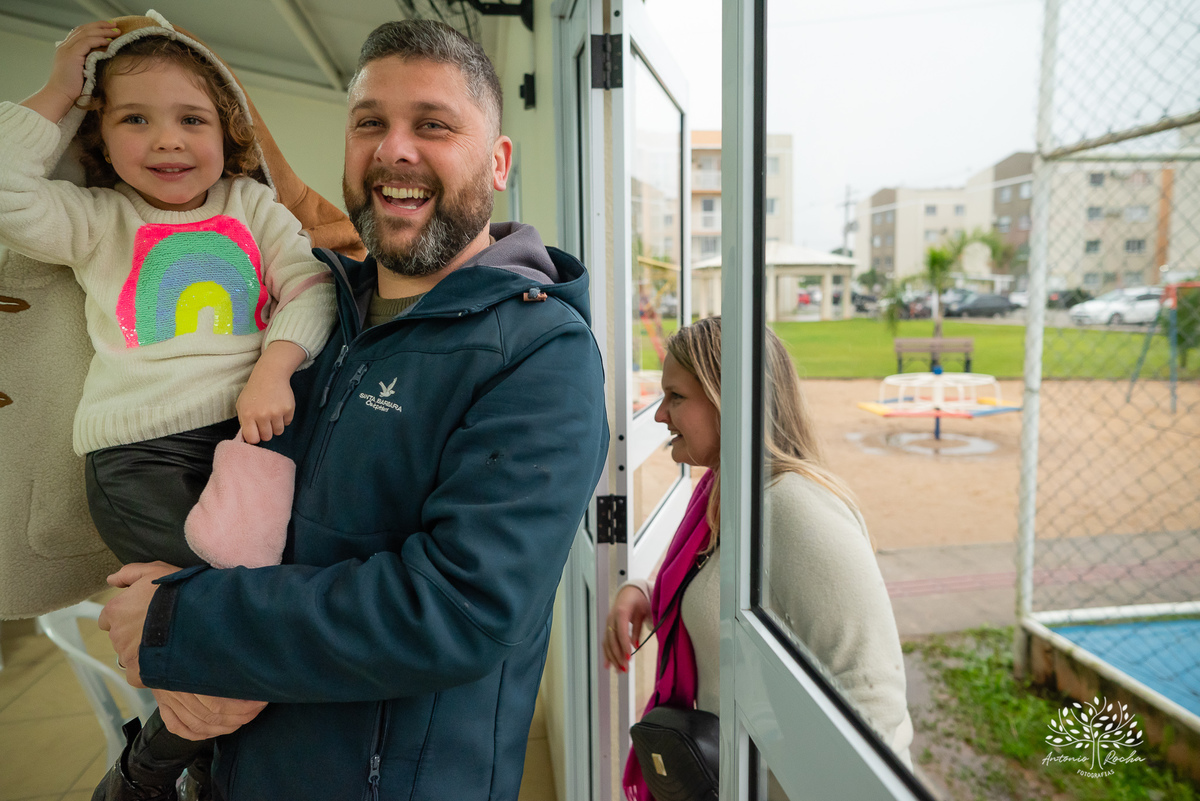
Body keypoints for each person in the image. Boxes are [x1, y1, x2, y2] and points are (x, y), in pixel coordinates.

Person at [97, 18, 609, 801]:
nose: (393, 148)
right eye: (370, 122)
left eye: (432, 125)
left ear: (499, 161)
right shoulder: (307, 317)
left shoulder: (539, 354)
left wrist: (184, 622)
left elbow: (458, 609)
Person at [0, 14, 339, 800]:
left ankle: (164, 776)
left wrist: (274, 370)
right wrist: (57, 90)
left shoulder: (252, 207)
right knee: (238, 631)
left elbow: (314, 283)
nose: (168, 141)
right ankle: (149, 777)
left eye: (193, 119)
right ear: (101, 136)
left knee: (235, 637)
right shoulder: (97, 221)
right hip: (139, 463)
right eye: (135, 119)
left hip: (248, 450)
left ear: (229, 131)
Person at [602, 317, 912, 799]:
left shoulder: (793, 507)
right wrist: (642, 591)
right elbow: (696, 571)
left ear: (731, 399)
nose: (660, 415)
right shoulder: (724, 493)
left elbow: (873, 697)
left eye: (676, 397)